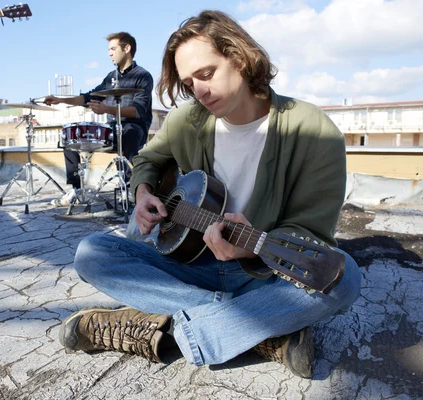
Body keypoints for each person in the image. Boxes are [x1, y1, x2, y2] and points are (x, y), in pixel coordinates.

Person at [57, 10, 362, 378]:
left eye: (206, 74)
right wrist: (142, 192)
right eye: (189, 83)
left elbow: (312, 234)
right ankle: (261, 330)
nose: (199, 91)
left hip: (263, 274)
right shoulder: (187, 120)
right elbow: (148, 159)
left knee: (344, 278)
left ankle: (166, 331)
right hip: (190, 264)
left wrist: (255, 247)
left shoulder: (313, 130)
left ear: (240, 57)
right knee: (91, 252)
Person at [43, 32, 153, 206]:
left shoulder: (143, 76)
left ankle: (130, 188)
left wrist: (106, 109)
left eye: (113, 48)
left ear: (127, 48)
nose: (109, 53)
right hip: (111, 129)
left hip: (134, 127)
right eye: (108, 49)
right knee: (69, 138)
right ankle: (76, 189)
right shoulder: (110, 78)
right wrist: (60, 99)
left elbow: (138, 111)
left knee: (129, 133)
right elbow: (88, 97)